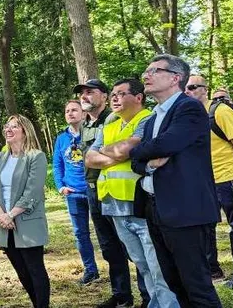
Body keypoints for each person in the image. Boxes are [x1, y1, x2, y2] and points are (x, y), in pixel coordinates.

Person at [130, 54, 222, 307]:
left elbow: (168, 143)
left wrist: (137, 149)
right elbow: (138, 161)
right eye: (145, 71)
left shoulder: (188, 108)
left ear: (175, 78)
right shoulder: (153, 116)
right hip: (156, 209)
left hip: (186, 210)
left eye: (153, 71)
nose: (145, 76)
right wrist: (147, 160)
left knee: (197, 285)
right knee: (173, 281)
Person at [86, 79, 178, 308]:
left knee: (157, 264)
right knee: (141, 263)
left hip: (140, 204)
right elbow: (89, 158)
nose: (115, 98)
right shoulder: (109, 125)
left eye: (121, 93)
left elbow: (128, 149)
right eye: (114, 94)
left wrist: (114, 152)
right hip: (113, 205)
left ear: (138, 97)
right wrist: (117, 154)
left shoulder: (147, 119)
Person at [74, 79, 147, 308]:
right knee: (109, 248)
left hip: (123, 193)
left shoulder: (115, 118)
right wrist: (112, 158)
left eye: (89, 92)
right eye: (81, 94)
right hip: (97, 191)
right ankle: (122, 296)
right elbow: (89, 158)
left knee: (135, 249)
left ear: (104, 96)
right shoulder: (86, 124)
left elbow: (126, 152)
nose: (84, 97)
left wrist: (106, 157)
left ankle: (148, 297)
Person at [185, 75, 233, 287]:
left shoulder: (221, 111)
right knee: (204, 227)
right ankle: (212, 270)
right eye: (185, 87)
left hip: (228, 177)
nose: (187, 91)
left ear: (205, 89)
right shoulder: (189, 115)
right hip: (202, 181)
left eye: (192, 87)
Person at [0, 115, 50, 308]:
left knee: (35, 270)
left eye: (14, 126)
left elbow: (32, 191)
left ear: (25, 131)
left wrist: (11, 214)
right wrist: (0, 214)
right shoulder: (0, 158)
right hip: (5, 225)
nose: (8, 129)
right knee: (22, 273)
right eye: (7, 126)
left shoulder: (35, 156)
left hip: (27, 222)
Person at [52, 99, 99, 285]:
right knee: (81, 234)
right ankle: (91, 270)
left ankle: (117, 268)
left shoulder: (92, 134)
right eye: (67, 111)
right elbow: (57, 164)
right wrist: (61, 186)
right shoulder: (61, 138)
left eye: (74, 110)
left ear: (83, 113)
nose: (70, 113)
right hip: (73, 193)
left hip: (93, 190)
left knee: (105, 233)